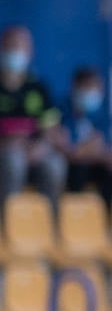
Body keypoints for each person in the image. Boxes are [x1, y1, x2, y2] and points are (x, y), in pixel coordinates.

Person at [0, 25, 66, 202]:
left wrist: (41, 146)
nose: (17, 52)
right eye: (12, 46)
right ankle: (7, 222)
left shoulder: (38, 87)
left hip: (33, 152)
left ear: (30, 51)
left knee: (55, 164)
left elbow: (52, 130)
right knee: (14, 161)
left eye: (21, 47)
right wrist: (8, 144)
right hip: (6, 153)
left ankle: (48, 223)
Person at [60, 65, 112, 210]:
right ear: (76, 87)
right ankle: (75, 214)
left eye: (96, 88)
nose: (93, 92)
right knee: (79, 169)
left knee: (110, 174)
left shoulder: (103, 116)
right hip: (72, 168)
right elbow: (69, 151)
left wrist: (93, 151)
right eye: (88, 87)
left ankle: (108, 222)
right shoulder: (62, 111)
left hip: (95, 164)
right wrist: (86, 150)